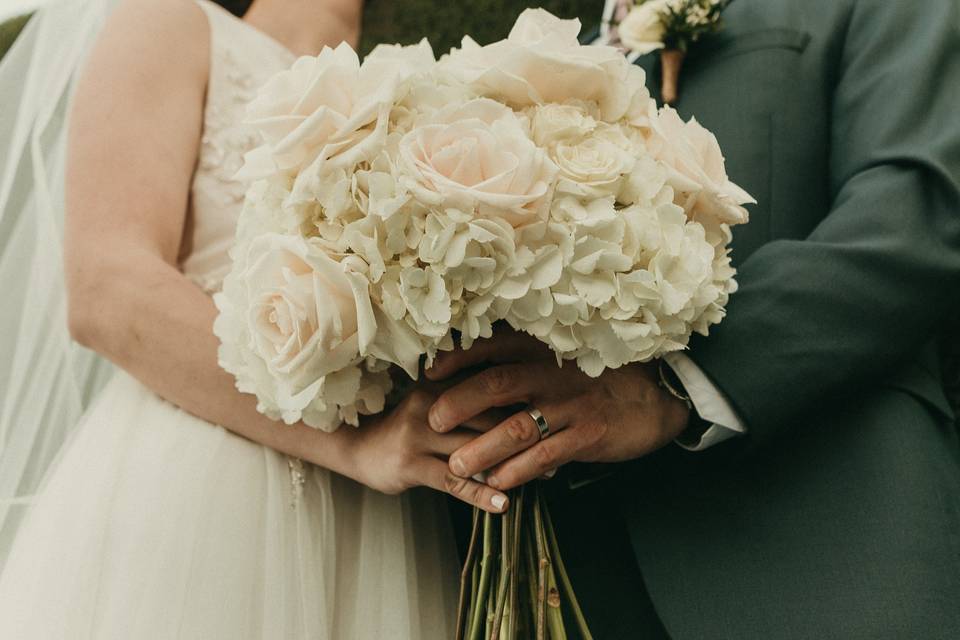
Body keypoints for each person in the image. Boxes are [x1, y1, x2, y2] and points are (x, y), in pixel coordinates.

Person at [429, 0, 960, 638]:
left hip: (825, 547)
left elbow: (917, 212)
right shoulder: (520, 68)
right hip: (555, 582)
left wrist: (674, 382)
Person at [0, 0, 508, 636]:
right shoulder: (173, 22)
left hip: (381, 520)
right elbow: (108, 288)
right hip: (205, 483)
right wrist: (354, 445)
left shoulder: (424, 91)